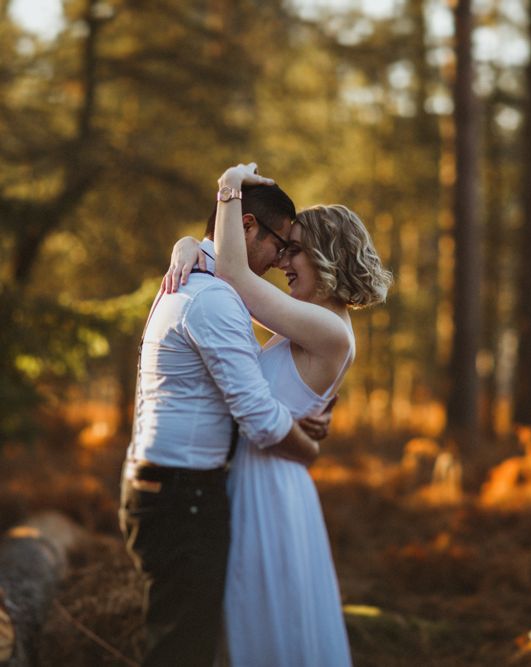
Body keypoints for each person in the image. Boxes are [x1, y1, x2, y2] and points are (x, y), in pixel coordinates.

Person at [166, 162, 392, 666]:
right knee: (251, 625)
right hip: (255, 479)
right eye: (283, 248)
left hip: (266, 490)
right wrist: (187, 246)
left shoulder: (328, 329)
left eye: (295, 251)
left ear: (328, 256)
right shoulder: (306, 324)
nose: (282, 263)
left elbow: (230, 275)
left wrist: (228, 188)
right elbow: (227, 284)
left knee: (264, 627)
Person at [119, 167, 326, 667]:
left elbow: (225, 395)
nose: (281, 262)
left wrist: (188, 240)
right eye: (280, 245)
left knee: (185, 638)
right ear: (247, 225)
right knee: (181, 648)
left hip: (171, 488)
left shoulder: (198, 280)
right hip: (181, 494)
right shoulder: (211, 297)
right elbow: (257, 417)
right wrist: (308, 447)